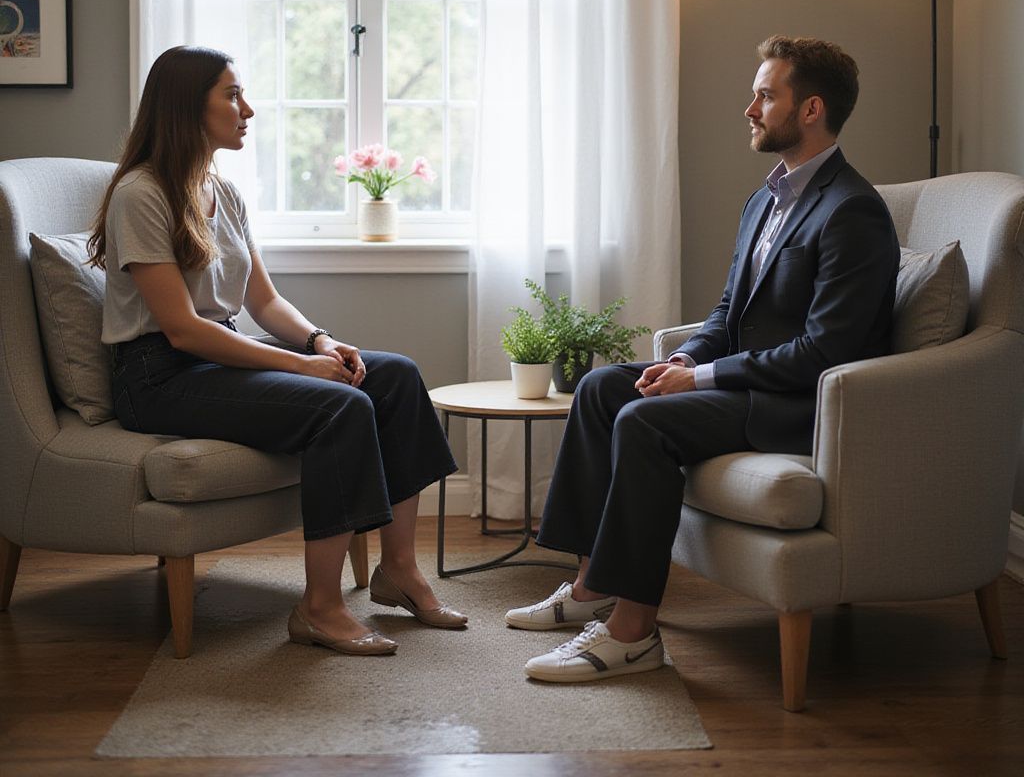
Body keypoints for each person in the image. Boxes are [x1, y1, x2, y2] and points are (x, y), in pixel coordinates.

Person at [505, 35, 900, 683]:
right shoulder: (764, 201)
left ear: (810, 110)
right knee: (604, 387)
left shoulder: (852, 210)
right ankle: (588, 589)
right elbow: (727, 313)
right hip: (743, 385)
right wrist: (685, 356)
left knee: (645, 422)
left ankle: (633, 635)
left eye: (766, 95)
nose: (750, 108)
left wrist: (702, 376)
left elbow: (828, 350)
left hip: (801, 404)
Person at [88, 45, 466, 657]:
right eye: (232, 95)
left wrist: (322, 341)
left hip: (217, 354)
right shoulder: (142, 193)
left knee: (393, 375)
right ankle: (319, 608)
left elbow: (263, 303)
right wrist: (302, 367)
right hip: (156, 375)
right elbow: (181, 330)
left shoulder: (222, 191)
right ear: (188, 106)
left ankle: (399, 572)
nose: (249, 110)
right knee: (338, 406)